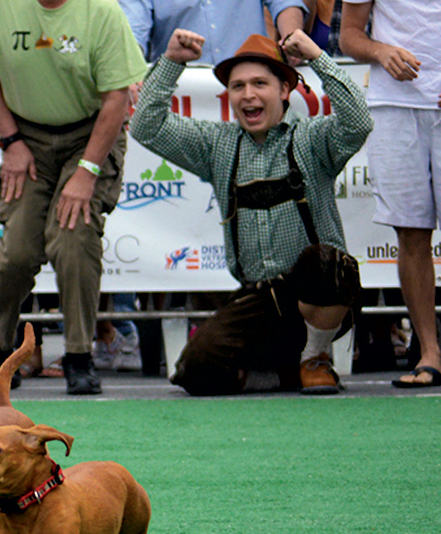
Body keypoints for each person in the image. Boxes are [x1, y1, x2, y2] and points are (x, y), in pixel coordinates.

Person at [132, 28, 369, 393]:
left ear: (285, 90)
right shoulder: (217, 144)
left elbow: (358, 122)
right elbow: (147, 127)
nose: (248, 95)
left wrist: (317, 57)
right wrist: (171, 62)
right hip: (258, 298)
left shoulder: (313, 138)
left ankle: (316, 358)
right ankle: (284, 375)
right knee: (193, 370)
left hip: (319, 294)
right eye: (238, 86)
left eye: (260, 83)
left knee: (327, 263)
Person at [0, 0, 145, 395]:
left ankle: (79, 354)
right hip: (26, 133)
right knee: (17, 251)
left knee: (74, 236)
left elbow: (117, 97)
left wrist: (87, 171)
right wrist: (10, 140)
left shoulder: (103, 12)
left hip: (90, 131)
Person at [341, 0, 441, 389]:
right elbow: (349, 35)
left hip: (402, 104)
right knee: (411, 233)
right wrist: (381, 50)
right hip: (394, 104)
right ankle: (430, 353)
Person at [117, 0, 306, 62]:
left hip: (253, 80)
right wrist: (128, 70)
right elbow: (132, 32)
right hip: (183, 95)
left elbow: (285, 2)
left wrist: (291, 40)